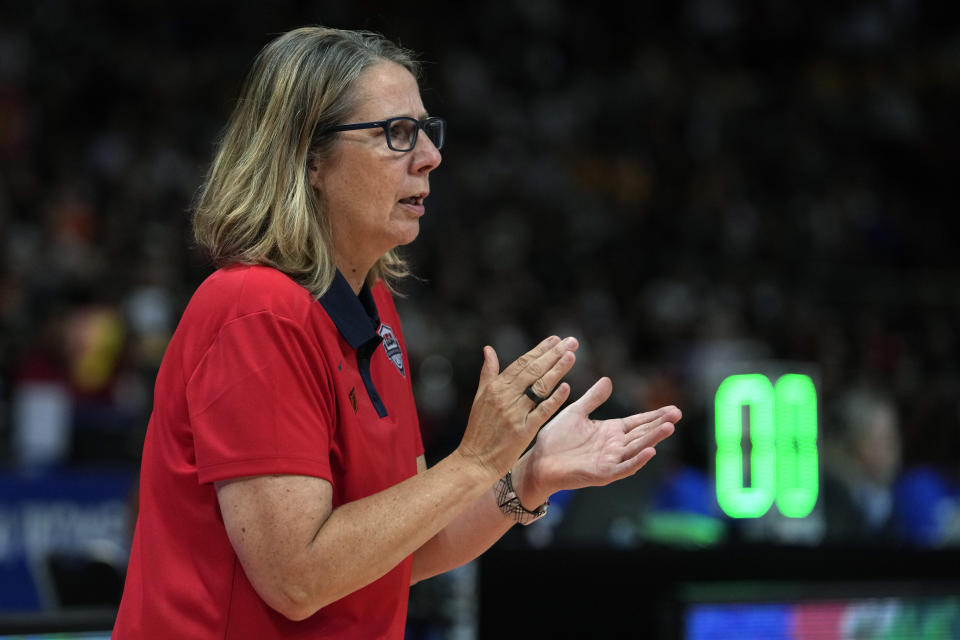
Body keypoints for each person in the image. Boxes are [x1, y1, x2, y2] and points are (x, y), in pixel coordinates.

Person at [111, 26, 681, 639]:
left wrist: (527, 475)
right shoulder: (257, 309)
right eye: (396, 134)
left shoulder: (373, 309)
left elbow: (407, 544)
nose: (431, 156)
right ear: (310, 160)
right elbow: (296, 578)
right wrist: (475, 460)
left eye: (426, 131)